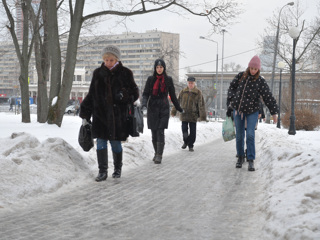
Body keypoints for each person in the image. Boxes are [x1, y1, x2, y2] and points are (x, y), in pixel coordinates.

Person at [79, 45, 139, 182]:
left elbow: (135, 93)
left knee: (116, 144)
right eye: (106, 60)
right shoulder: (97, 73)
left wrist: (124, 95)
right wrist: (85, 113)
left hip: (118, 117)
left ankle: (117, 168)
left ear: (116, 59)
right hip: (100, 116)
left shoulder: (125, 73)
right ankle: (102, 171)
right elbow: (91, 95)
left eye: (111, 60)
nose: (108, 62)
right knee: (100, 143)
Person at [226, 55, 278, 171]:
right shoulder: (241, 76)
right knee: (239, 135)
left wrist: (274, 113)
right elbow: (231, 88)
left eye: (256, 69)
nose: (253, 71)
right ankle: (240, 156)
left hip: (252, 111)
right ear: (249, 67)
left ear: (258, 70)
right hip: (238, 110)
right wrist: (232, 100)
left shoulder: (260, 81)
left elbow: (268, 97)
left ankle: (250, 159)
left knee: (250, 134)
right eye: (252, 68)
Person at [141, 59, 183, 164]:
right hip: (152, 108)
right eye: (157, 67)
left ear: (164, 68)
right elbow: (145, 94)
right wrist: (144, 105)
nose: (159, 69)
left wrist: (178, 107)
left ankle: (159, 155)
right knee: (154, 132)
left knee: (160, 131)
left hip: (163, 107)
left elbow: (173, 95)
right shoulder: (150, 79)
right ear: (155, 69)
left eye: (161, 67)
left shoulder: (168, 79)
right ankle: (156, 153)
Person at [171, 76, 206, 152]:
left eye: (192, 83)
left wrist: (202, 116)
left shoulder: (198, 92)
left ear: (194, 83)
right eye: (189, 83)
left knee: (193, 132)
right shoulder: (183, 92)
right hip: (184, 114)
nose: (190, 84)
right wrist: (173, 111)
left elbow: (201, 105)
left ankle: (191, 145)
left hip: (193, 115)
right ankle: (185, 141)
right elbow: (177, 102)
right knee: (184, 130)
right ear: (187, 83)